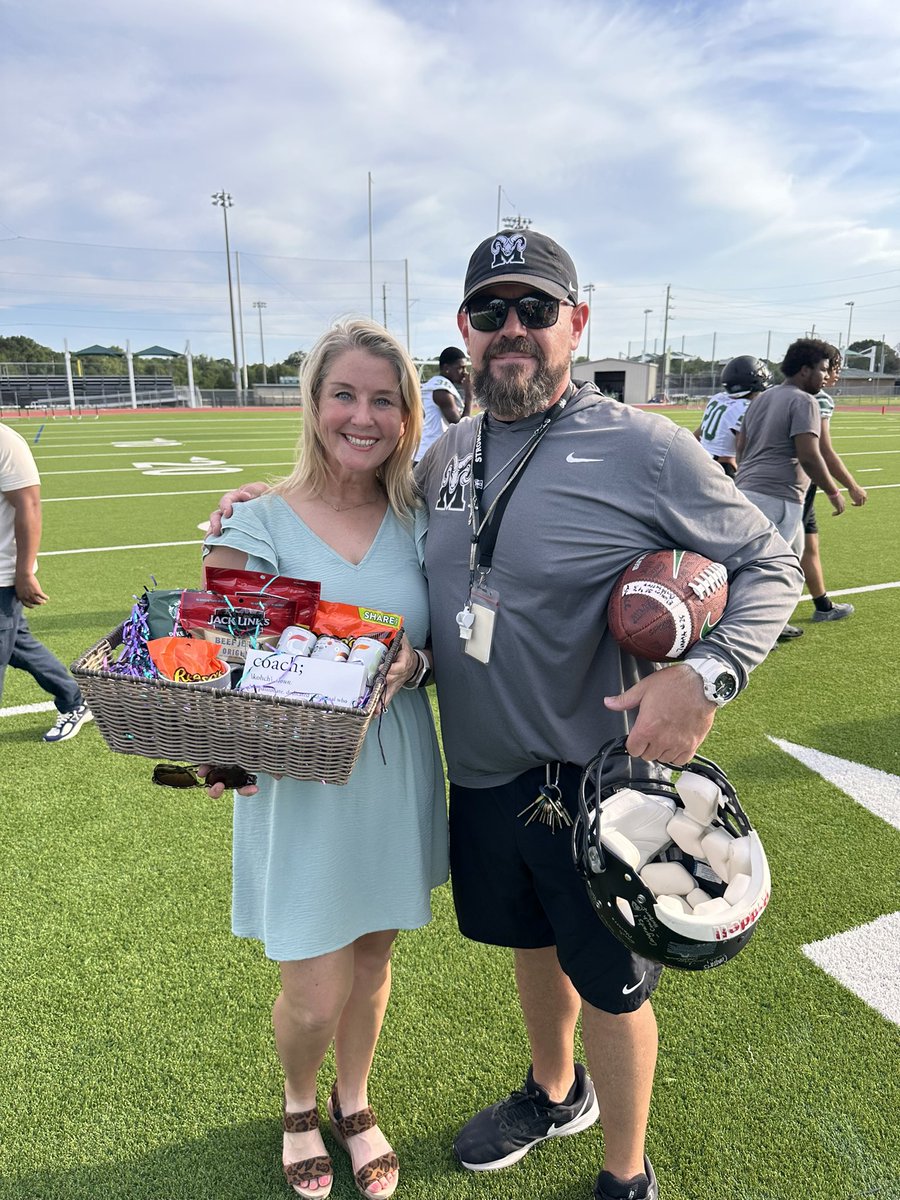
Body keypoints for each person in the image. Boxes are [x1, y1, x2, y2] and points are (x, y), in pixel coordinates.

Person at [211, 231, 802, 1200]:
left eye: (536, 309)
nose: (512, 330)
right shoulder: (442, 455)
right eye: (492, 312)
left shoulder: (645, 448)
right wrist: (261, 505)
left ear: (577, 323)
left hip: (593, 774)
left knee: (612, 983)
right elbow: (380, 548)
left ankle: (625, 1174)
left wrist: (705, 677)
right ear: (465, 332)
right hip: (482, 772)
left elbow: (768, 565)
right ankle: (554, 1090)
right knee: (531, 945)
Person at [203, 318, 448, 1199]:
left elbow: (438, 643)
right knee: (312, 989)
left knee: (374, 961)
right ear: (312, 404)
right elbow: (216, 648)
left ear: (408, 416)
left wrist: (414, 662)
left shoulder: (419, 521)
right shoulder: (257, 519)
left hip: (392, 770)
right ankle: (298, 1103)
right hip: (299, 780)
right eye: (343, 393)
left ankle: (354, 1101)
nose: (363, 415)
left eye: (385, 400)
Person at [735, 336, 846, 642]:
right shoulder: (804, 401)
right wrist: (834, 492)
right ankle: (753, 631)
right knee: (770, 566)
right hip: (779, 494)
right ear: (804, 369)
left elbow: (741, 445)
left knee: (788, 560)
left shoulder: (762, 399)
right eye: (822, 369)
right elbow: (810, 454)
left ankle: (774, 622)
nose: (825, 376)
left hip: (750, 487)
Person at [0, 421, 92, 741]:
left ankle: (75, 701)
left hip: (2, 577)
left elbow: (29, 505)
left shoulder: (5, 442)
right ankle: (74, 699)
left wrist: (24, 573)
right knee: (17, 645)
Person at [800, 349, 867, 623]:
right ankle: (764, 619)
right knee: (778, 553)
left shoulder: (775, 395)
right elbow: (822, 450)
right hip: (794, 485)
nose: (834, 375)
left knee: (809, 546)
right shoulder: (818, 399)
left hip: (778, 482)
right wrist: (849, 486)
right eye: (832, 369)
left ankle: (823, 605)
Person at [694, 355, 772, 476]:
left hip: (702, 460)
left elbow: (698, 434)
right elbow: (742, 449)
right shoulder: (746, 408)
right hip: (724, 466)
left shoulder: (718, 398)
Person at [415, 345, 472, 460]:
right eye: (460, 368)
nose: (464, 373)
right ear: (446, 368)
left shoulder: (435, 385)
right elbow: (461, 427)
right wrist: (469, 395)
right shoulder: (442, 391)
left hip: (424, 452)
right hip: (429, 455)